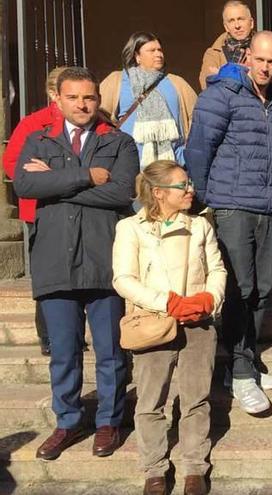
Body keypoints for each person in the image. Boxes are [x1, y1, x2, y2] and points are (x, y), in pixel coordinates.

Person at [13, 67, 139, 461]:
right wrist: (86, 176)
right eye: (73, 98)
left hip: (103, 260)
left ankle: (108, 421)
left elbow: (120, 193)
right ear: (58, 101)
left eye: (89, 97)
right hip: (55, 261)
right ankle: (66, 422)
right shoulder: (38, 140)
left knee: (110, 352)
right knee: (64, 353)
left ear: (98, 100)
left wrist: (59, 182)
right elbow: (25, 185)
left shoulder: (119, 142)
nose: (82, 104)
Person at [185, 31, 272, 415]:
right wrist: (201, 197)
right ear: (248, 56)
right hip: (232, 205)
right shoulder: (221, 95)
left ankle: (245, 362)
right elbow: (199, 147)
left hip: (268, 205)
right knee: (240, 287)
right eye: (261, 59)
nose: (266, 68)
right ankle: (239, 371)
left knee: (263, 289)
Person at [112, 160, 226, 495]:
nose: (190, 190)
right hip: (153, 324)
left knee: (196, 398)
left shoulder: (201, 226)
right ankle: (154, 469)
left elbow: (217, 269)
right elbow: (123, 279)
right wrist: (167, 303)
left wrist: (208, 299)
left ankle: (194, 468)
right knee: (150, 401)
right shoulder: (131, 228)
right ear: (159, 193)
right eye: (182, 185)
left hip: (198, 324)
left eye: (188, 183)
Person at [2, 65, 67, 356]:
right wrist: (53, 178)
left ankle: (73, 333)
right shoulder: (33, 124)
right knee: (48, 275)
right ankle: (49, 336)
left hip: (86, 211)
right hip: (41, 209)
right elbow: (13, 165)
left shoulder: (96, 122)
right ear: (54, 93)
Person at [100, 32, 197, 168]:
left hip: (173, 164)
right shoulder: (117, 80)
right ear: (137, 56)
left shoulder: (177, 83)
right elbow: (99, 116)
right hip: (129, 165)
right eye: (152, 50)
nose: (158, 54)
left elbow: (197, 117)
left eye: (160, 50)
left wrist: (189, 149)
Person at [199, 0, 255, 90]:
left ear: (251, 23)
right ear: (226, 27)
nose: (237, 26)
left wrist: (222, 75)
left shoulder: (264, 48)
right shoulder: (213, 54)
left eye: (240, 19)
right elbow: (208, 87)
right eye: (231, 21)